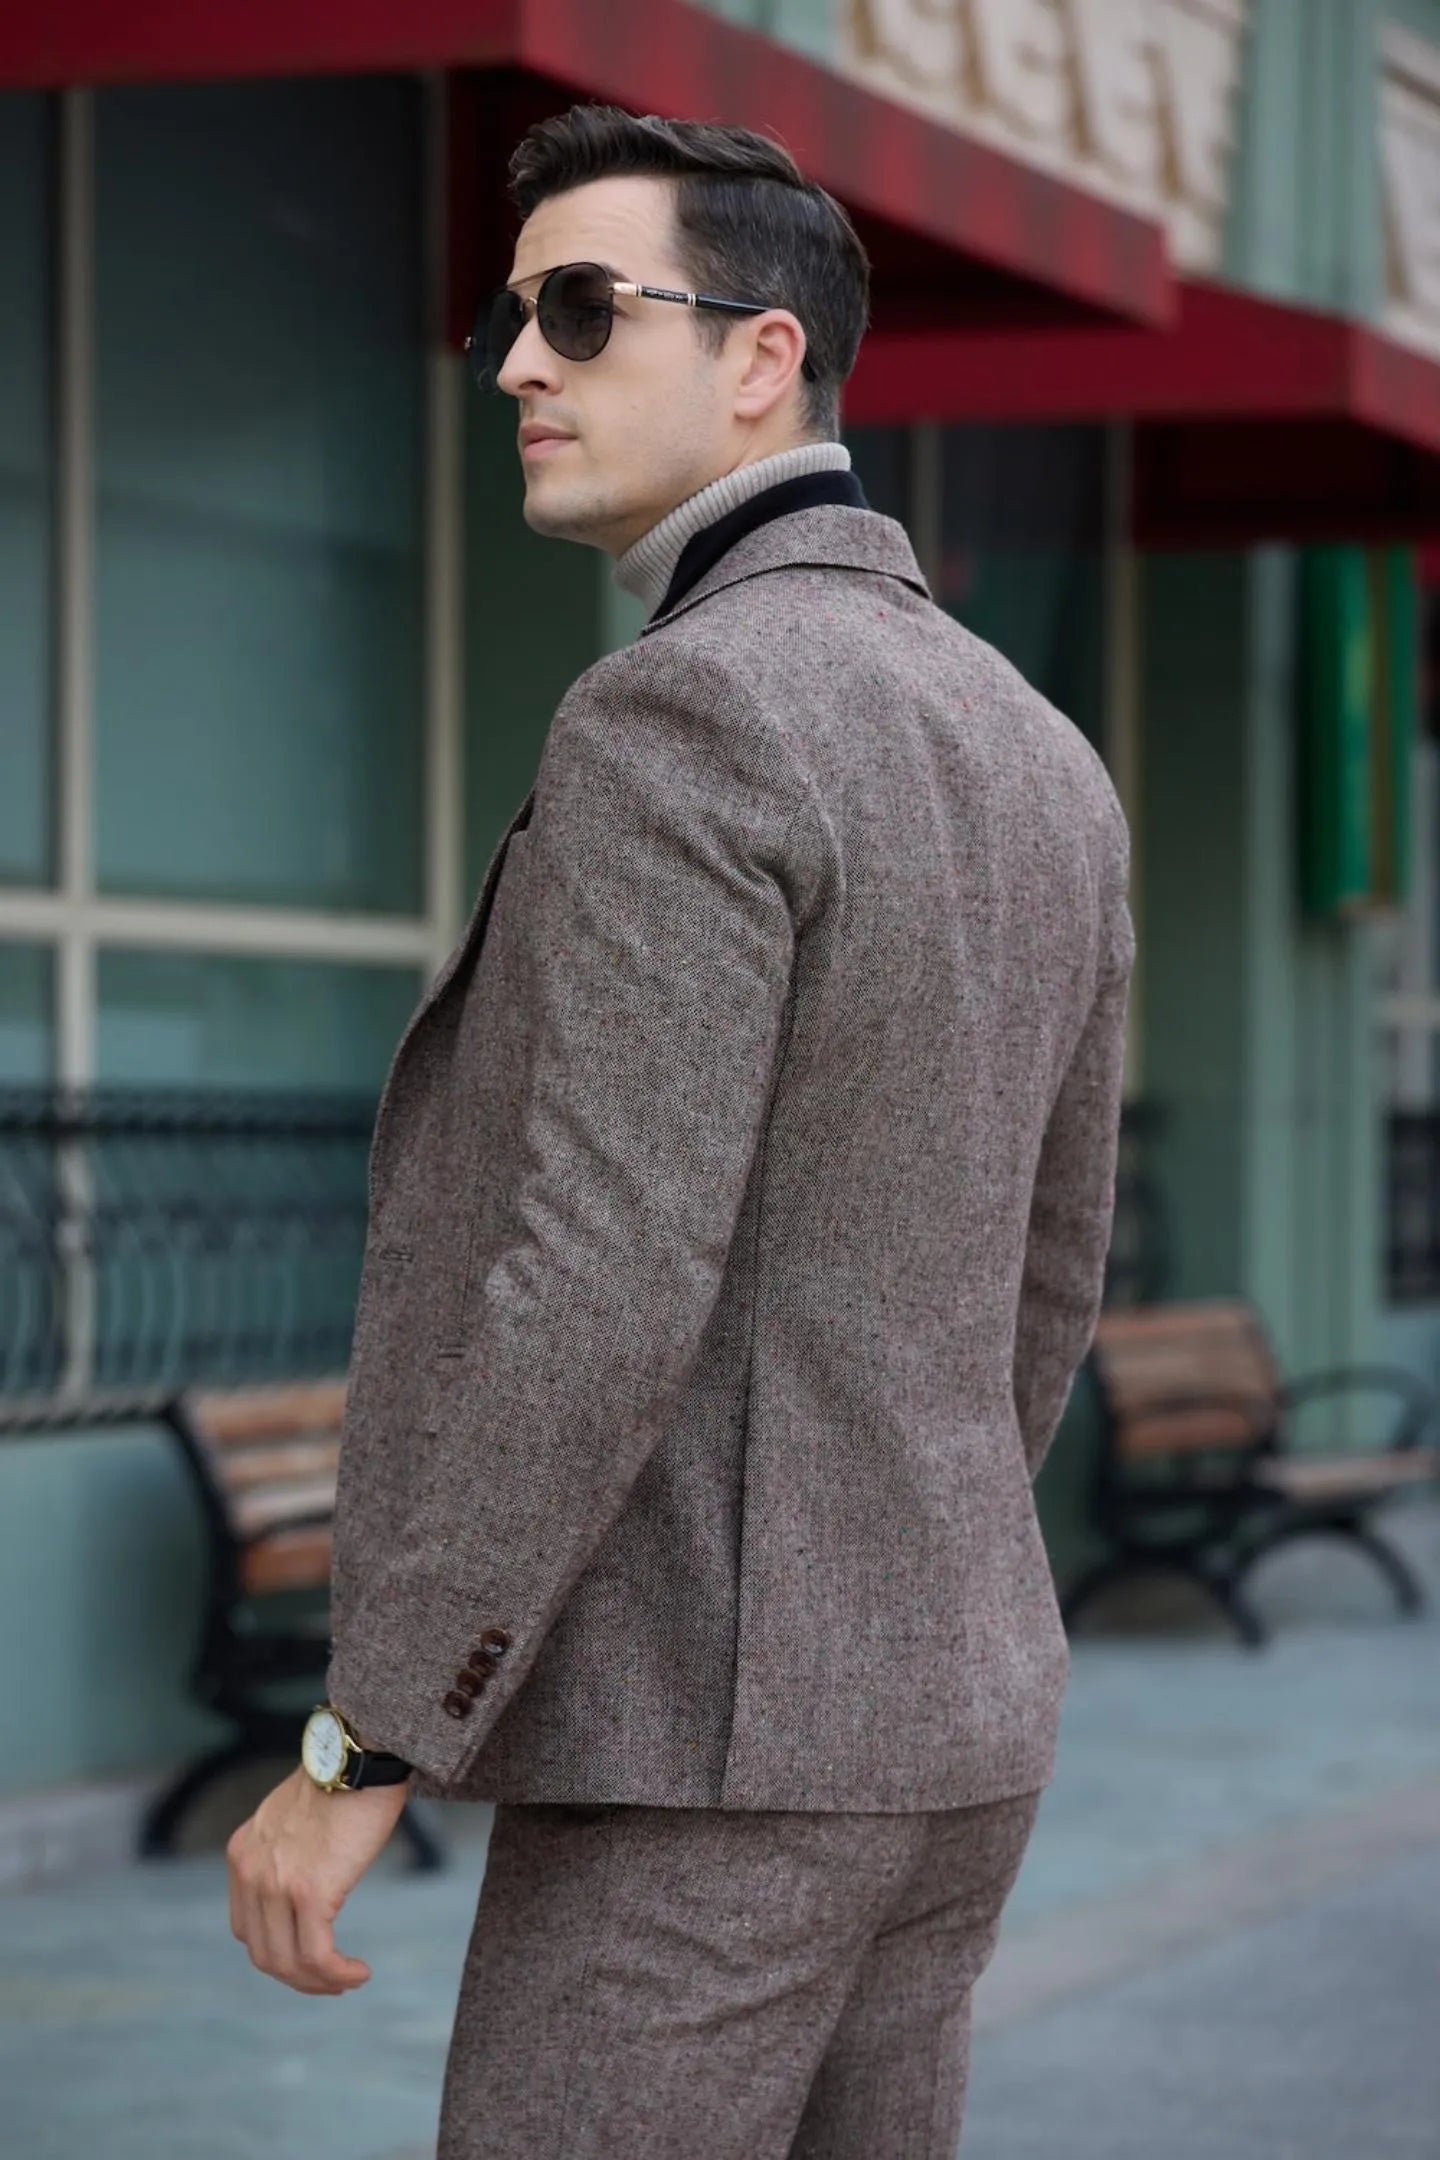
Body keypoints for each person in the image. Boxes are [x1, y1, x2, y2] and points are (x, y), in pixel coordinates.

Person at [227, 102, 1134, 2158]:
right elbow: (1053, 1268)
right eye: (509, 314)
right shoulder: (1042, 752)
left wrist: (360, 1741)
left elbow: (602, 1276)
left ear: (761, 358)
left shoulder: (683, 712)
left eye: (576, 308)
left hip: (708, 1765)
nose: (517, 362)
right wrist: (898, 1583)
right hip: (950, 1732)